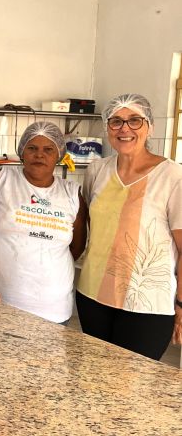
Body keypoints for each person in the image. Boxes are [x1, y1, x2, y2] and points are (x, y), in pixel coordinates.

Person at [77, 93, 182, 359]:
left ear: (150, 127)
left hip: (147, 303)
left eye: (135, 120)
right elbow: (94, 225)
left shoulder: (173, 176)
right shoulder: (97, 170)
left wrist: (181, 303)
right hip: (92, 295)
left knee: (132, 389)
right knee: (92, 379)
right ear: (107, 127)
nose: (125, 129)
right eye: (116, 121)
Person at [0, 121, 87, 324]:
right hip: (2, 302)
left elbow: (76, 247)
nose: (39, 155)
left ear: (59, 155)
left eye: (48, 149)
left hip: (55, 308)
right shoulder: (0, 179)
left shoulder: (72, 193)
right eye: (32, 148)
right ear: (22, 152)